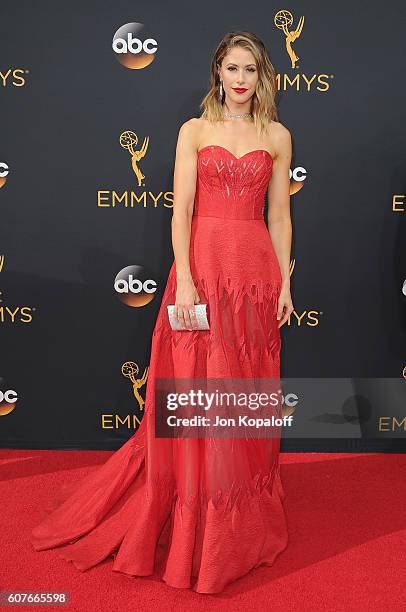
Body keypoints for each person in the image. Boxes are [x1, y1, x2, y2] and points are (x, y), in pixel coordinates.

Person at [31, 30, 294, 594]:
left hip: (253, 279)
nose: (241, 79)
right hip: (201, 271)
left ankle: (234, 521)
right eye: (232, 68)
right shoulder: (194, 131)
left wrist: (285, 282)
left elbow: (279, 218)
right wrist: (185, 283)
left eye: (250, 69)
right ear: (217, 73)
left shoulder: (277, 136)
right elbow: (181, 214)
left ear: (262, 75)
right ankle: (191, 514)